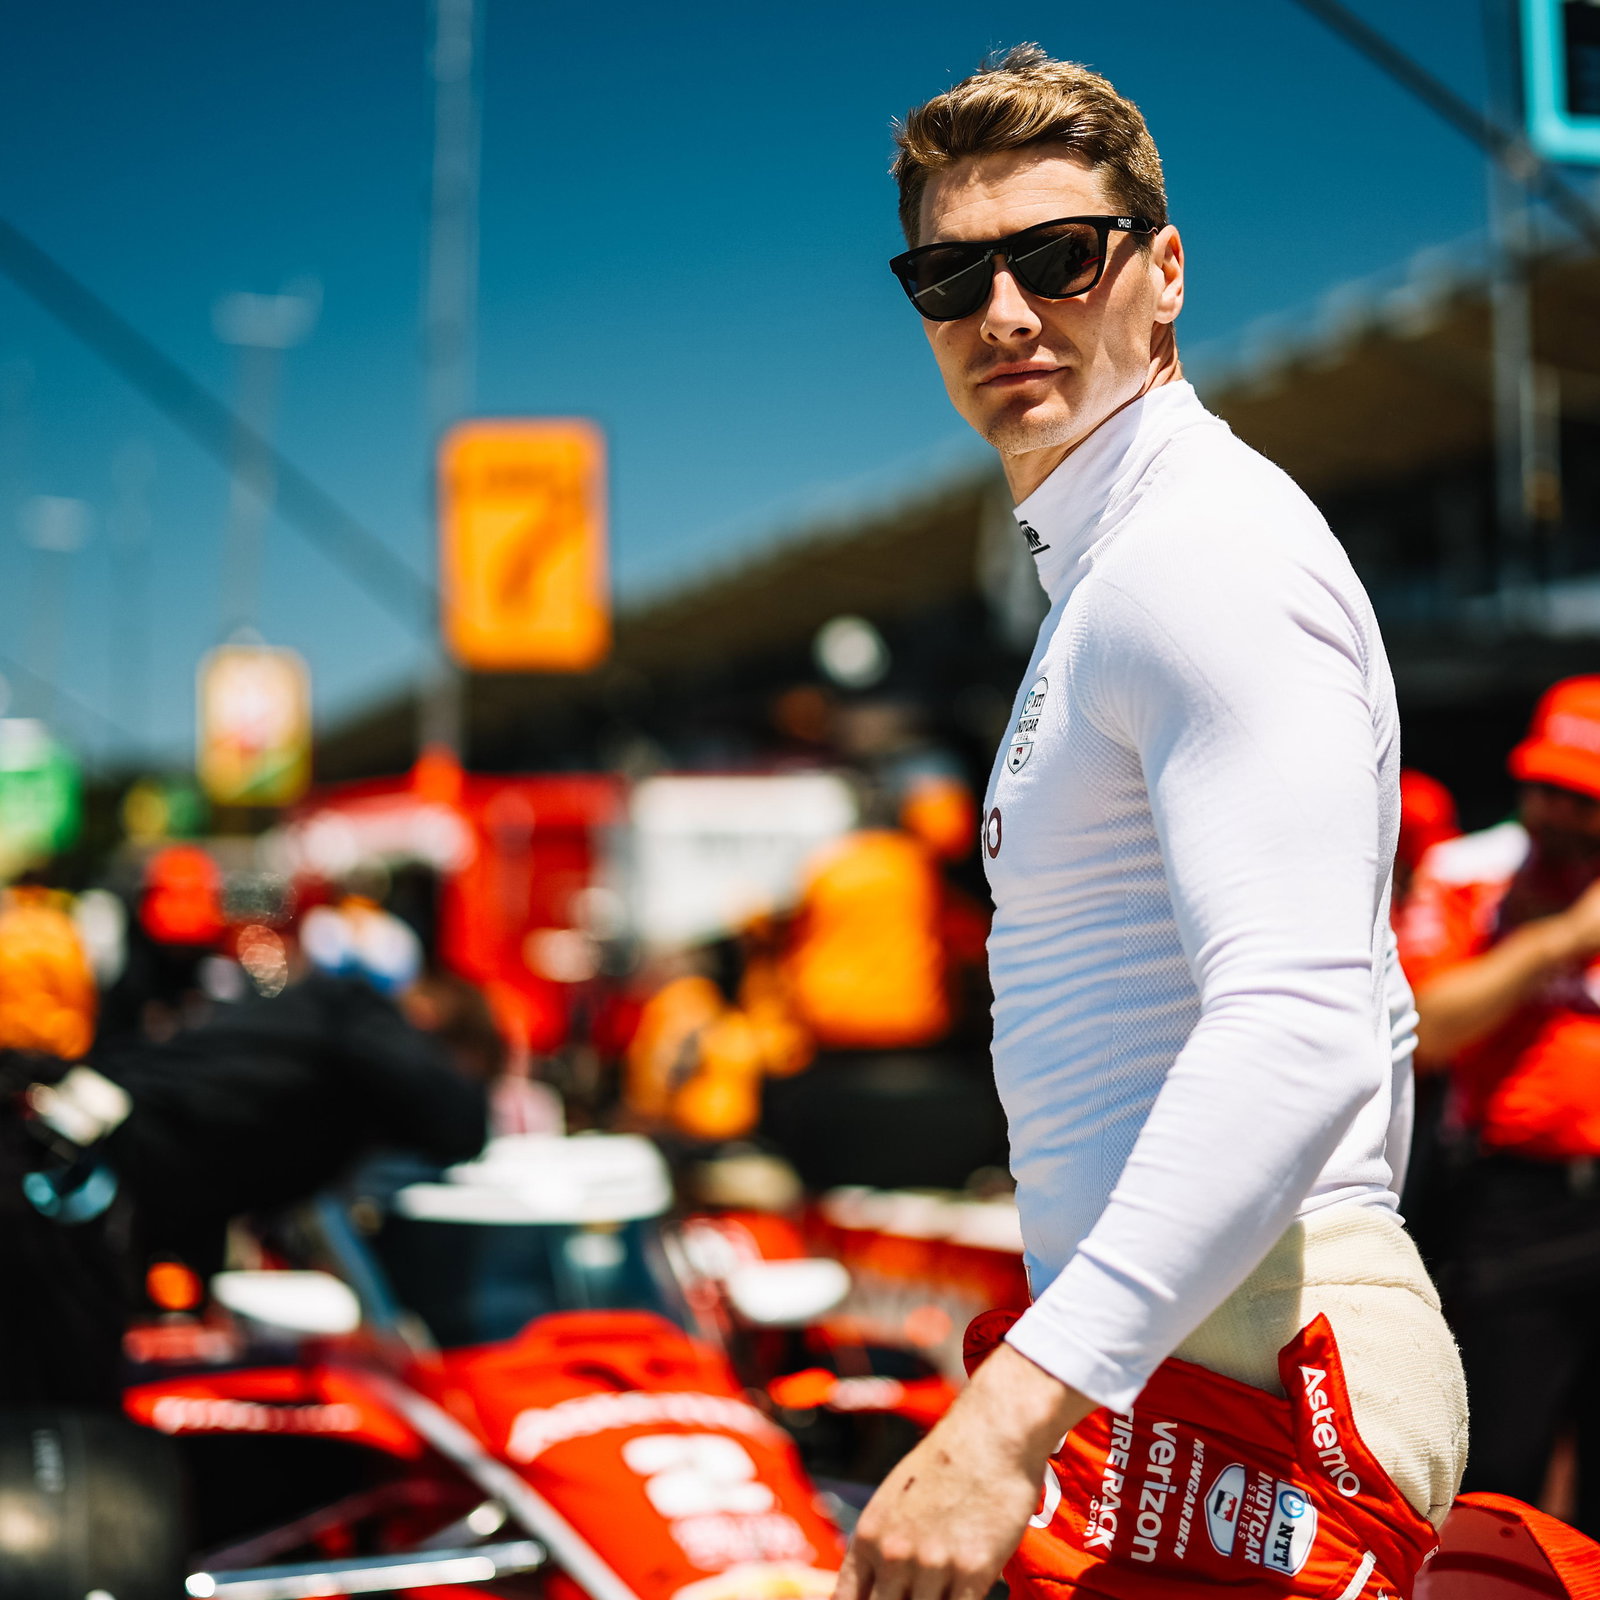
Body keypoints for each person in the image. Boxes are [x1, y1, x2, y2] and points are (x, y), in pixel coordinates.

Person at [836, 46, 1465, 1600]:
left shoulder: (1202, 555)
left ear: (1162, 271)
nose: (1002, 315)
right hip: (1190, 1347)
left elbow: (1298, 1024)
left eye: (1058, 258)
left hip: (1257, 1347)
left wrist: (1008, 1419)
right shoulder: (1118, 569)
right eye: (948, 275)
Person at [1398, 676, 1600, 1531]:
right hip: (1512, 1206)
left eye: (1582, 798)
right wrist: (1560, 939)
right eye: (1543, 786)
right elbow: (1428, 1028)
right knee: (1496, 1480)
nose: (1555, 811)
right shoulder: (1469, 871)